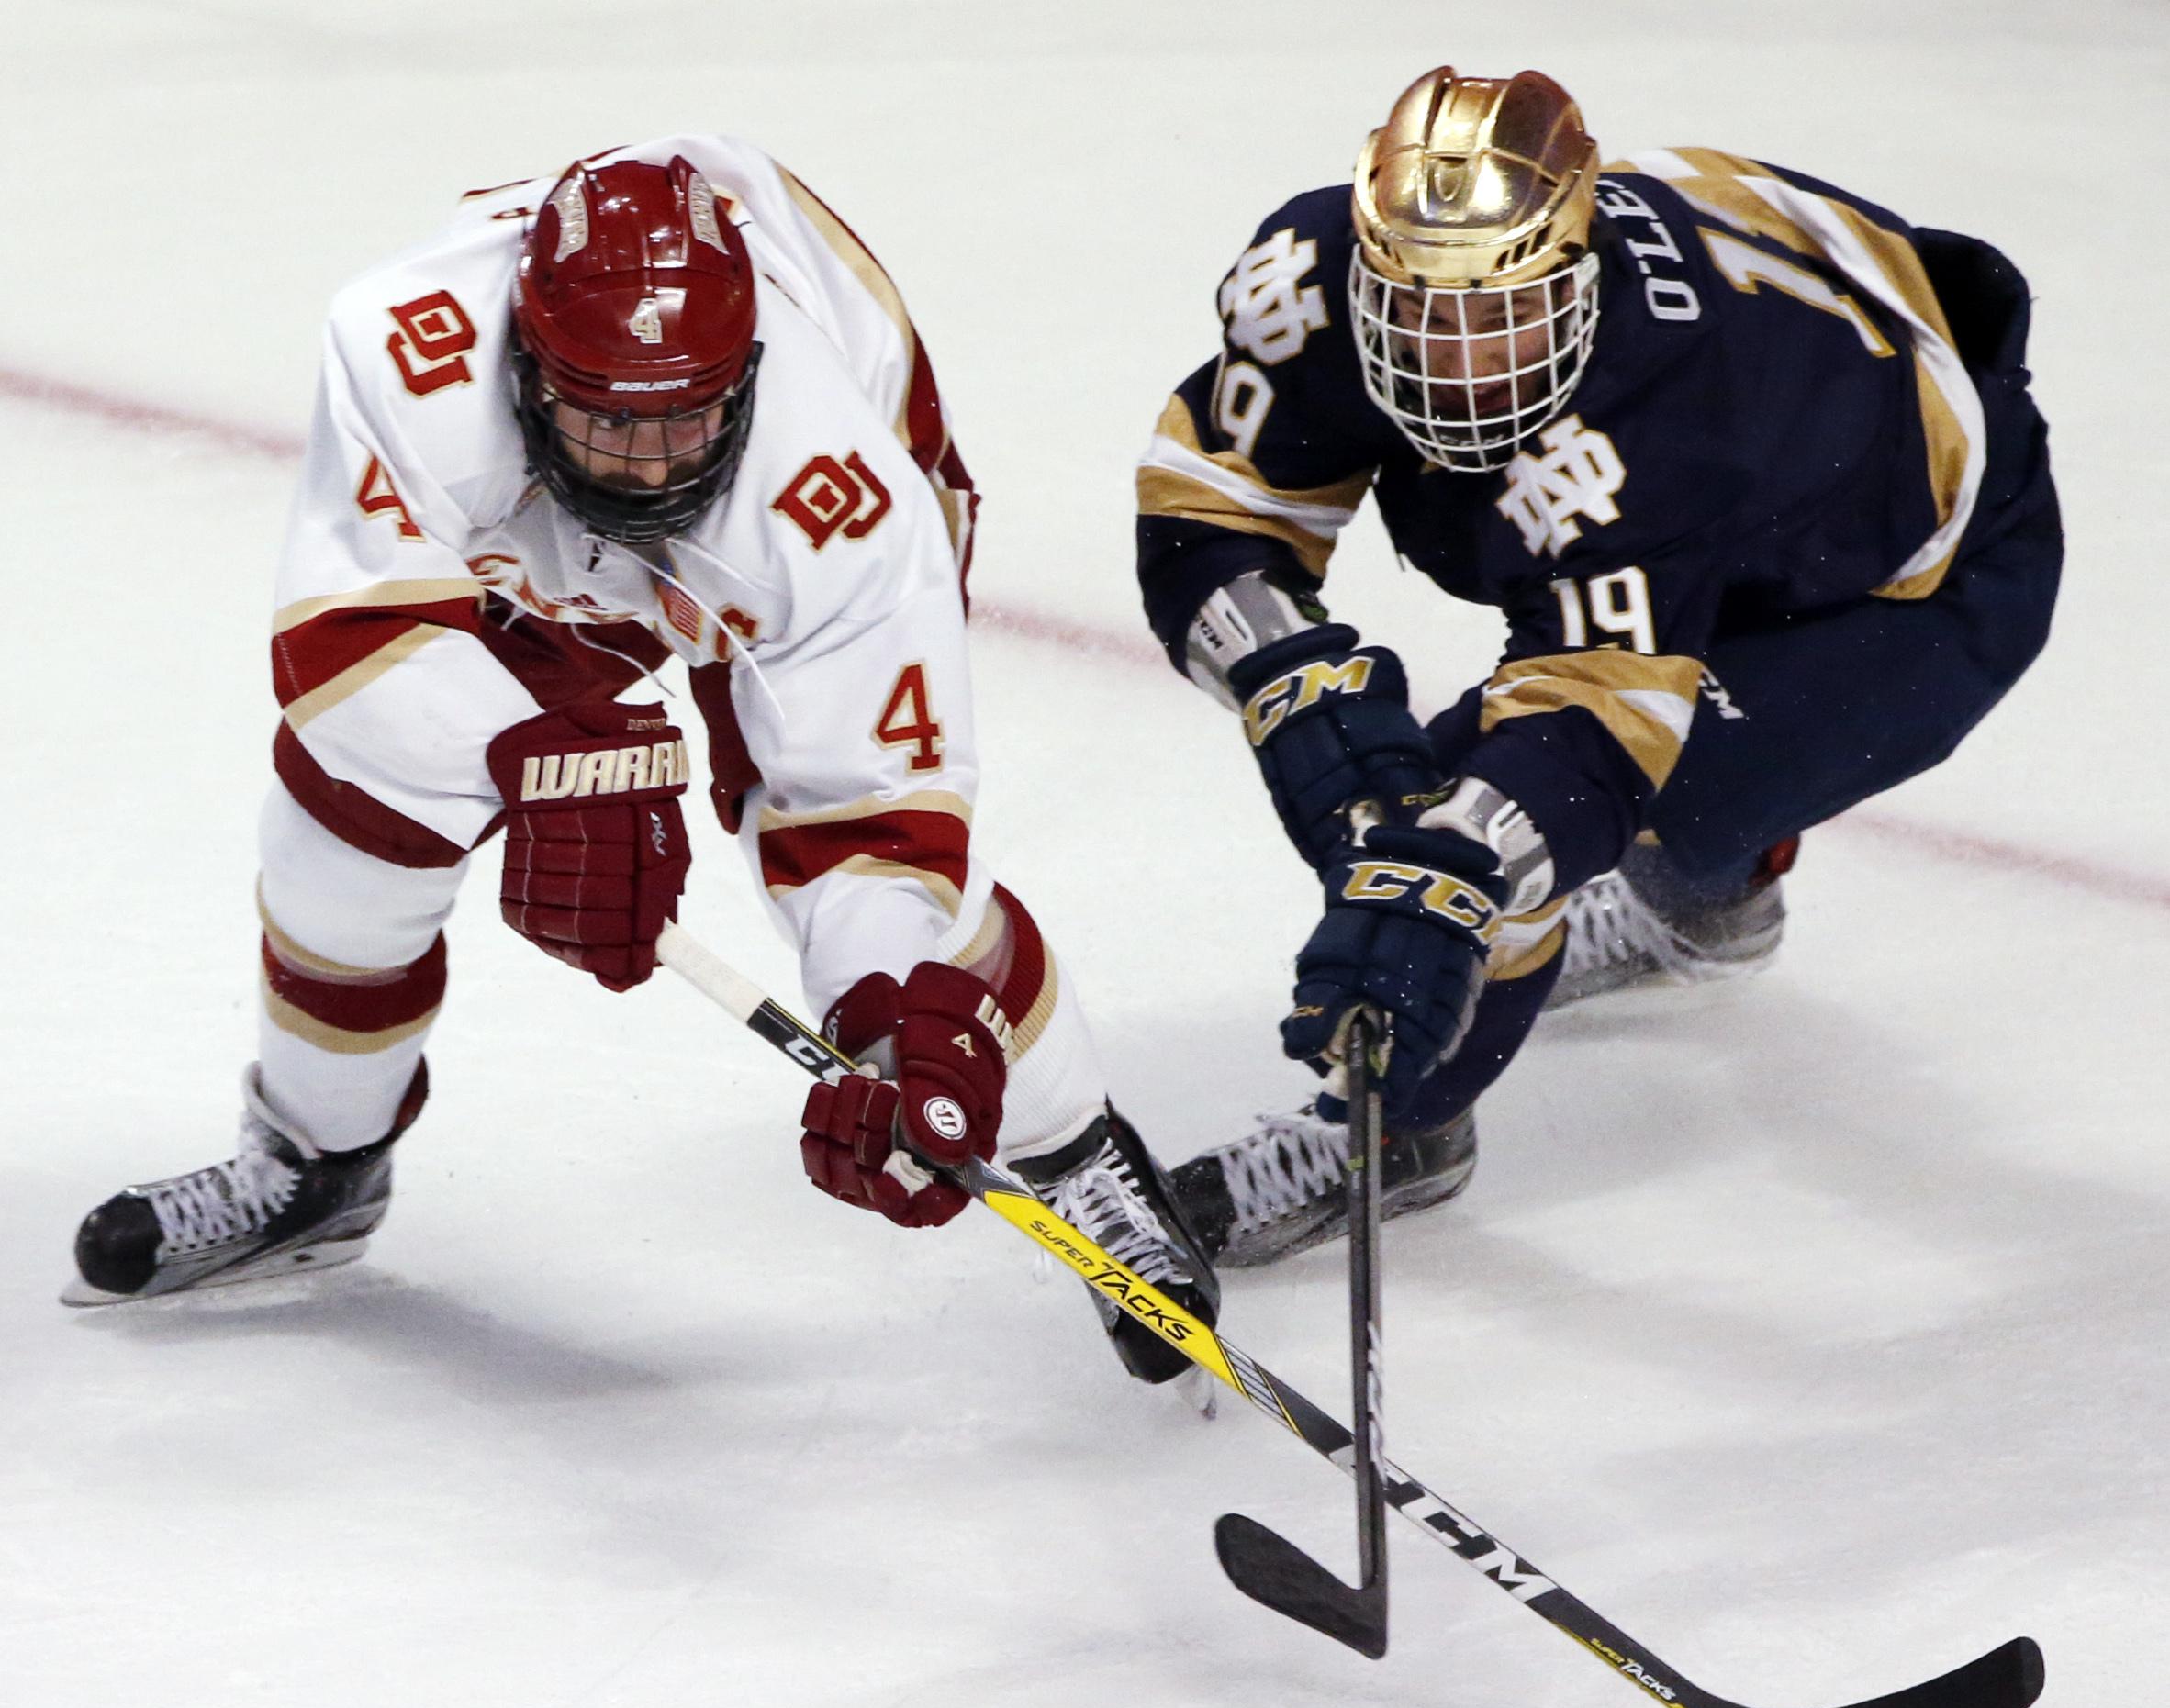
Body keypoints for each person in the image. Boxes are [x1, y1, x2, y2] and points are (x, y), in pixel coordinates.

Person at [69, 137, 1217, 1382]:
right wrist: (540, 759)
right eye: (608, 425)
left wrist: (890, 1026)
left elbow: (870, 822)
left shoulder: (844, 492)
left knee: (912, 918)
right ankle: (312, 1161)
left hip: (806, 530)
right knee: (344, 821)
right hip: (528, 532)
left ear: (748, 379)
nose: (652, 468)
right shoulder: (404, 351)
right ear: (525, 369)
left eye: (688, 424)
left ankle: (1082, 1150)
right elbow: (342, 640)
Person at [1135, 66, 2060, 1265]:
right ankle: (1712, 895)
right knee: (1509, 821)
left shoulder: (1676, 418)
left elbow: (1589, 733)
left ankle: (1402, 1135)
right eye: (1419, 311)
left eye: (1501, 313)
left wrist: (1452, 875)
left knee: (1464, 821)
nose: (1456, 360)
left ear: (1579, 277)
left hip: (1917, 595)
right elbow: (1218, 493)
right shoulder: (1315, 271)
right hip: (1788, 473)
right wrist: (1287, 681)